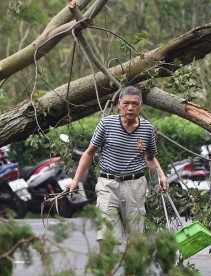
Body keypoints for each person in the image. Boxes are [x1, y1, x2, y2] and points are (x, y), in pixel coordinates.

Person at [67, 86, 169, 251]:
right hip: (108, 185)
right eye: (126, 103)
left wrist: (161, 176)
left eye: (135, 104)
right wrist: (75, 181)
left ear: (141, 106)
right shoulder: (106, 124)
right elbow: (89, 153)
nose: (130, 108)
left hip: (135, 186)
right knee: (106, 236)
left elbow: (150, 158)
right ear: (119, 104)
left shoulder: (147, 129)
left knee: (135, 236)